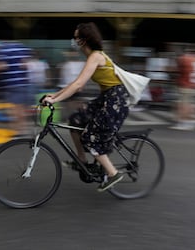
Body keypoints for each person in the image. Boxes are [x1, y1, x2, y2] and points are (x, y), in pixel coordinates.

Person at [41, 22, 129, 192]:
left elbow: (79, 84)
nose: (74, 41)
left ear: (85, 39)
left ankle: (113, 173)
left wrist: (55, 100)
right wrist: (55, 96)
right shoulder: (91, 58)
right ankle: (82, 161)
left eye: (76, 38)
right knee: (75, 119)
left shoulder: (96, 56)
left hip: (116, 100)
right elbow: (76, 84)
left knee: (90, 136)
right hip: (106, 98)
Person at [0, 41, 32, 136]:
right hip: (23, 81)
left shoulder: (3, 49)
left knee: (15, 109)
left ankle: (18, 131)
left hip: (12, 83)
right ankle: (23, 129)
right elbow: (25, 64)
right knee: (20, 107)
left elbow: (2, 66)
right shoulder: (22, 47)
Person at [170, 48, 195, 131]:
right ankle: (193, 123)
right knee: (190, 105)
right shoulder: (193, 59)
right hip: (192, 86)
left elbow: (179, 71)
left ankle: (184, 124)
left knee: (183, 106)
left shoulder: (183, 60)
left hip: (185, 86)